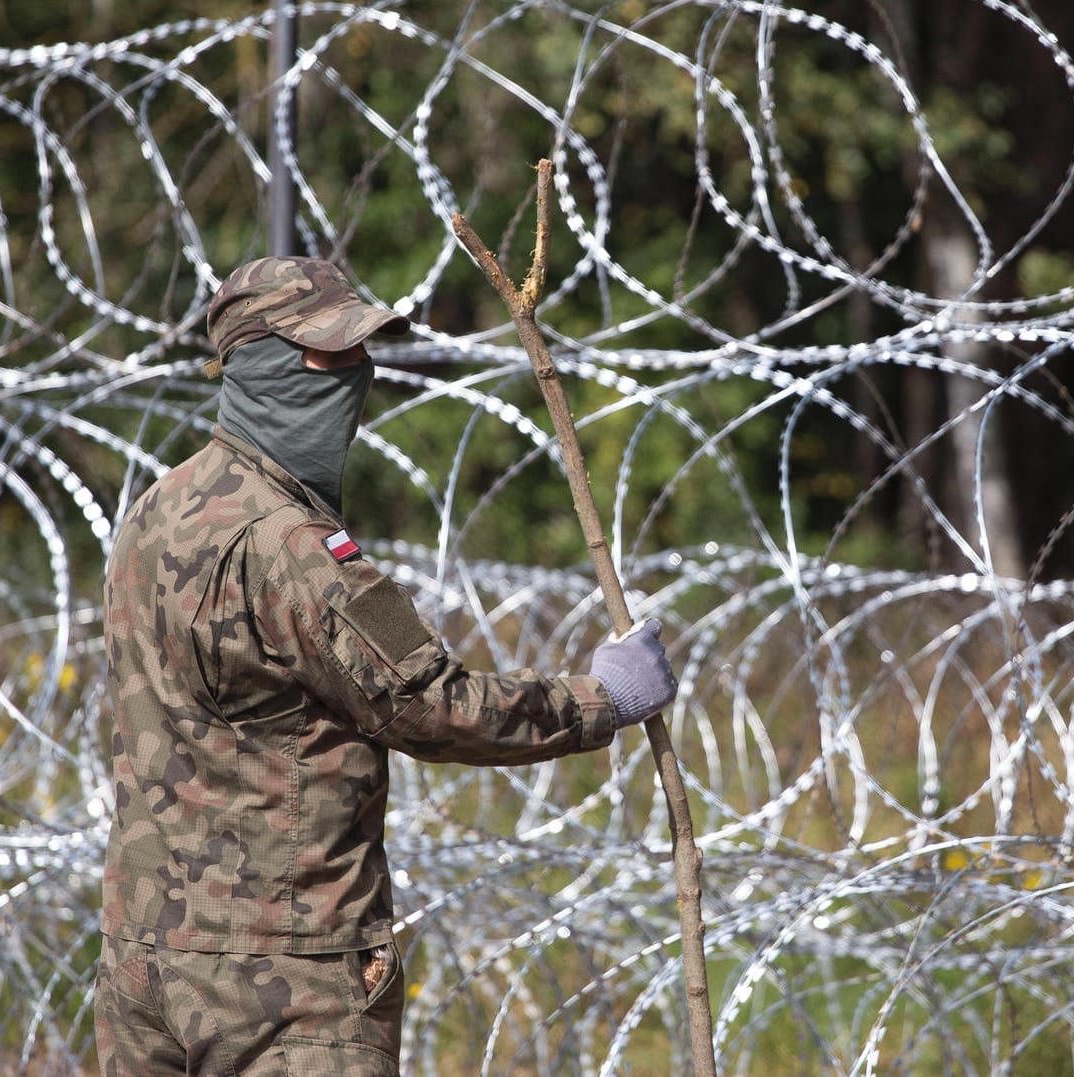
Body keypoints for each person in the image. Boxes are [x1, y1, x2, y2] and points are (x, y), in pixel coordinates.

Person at [93, 256, 677, 1075]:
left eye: (359, 351)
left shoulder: (156, 509)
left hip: (145, 956)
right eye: (330, 354)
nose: (355, 373)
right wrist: (603, 698)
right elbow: (428, 706)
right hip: (284, 975)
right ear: (258, 362)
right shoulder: (294, 544)